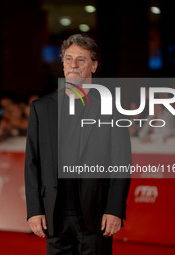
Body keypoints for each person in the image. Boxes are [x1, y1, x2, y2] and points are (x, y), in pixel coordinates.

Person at [25, 34, 131, 255]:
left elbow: (121, 162)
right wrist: (34, 210)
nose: (73, 65)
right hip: (55, 214)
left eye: (81, 60)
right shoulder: (42, 109)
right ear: (62, 64)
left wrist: (114, 209)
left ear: (94, 64)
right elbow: (32, 163)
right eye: (68, 59)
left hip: (96, 214)